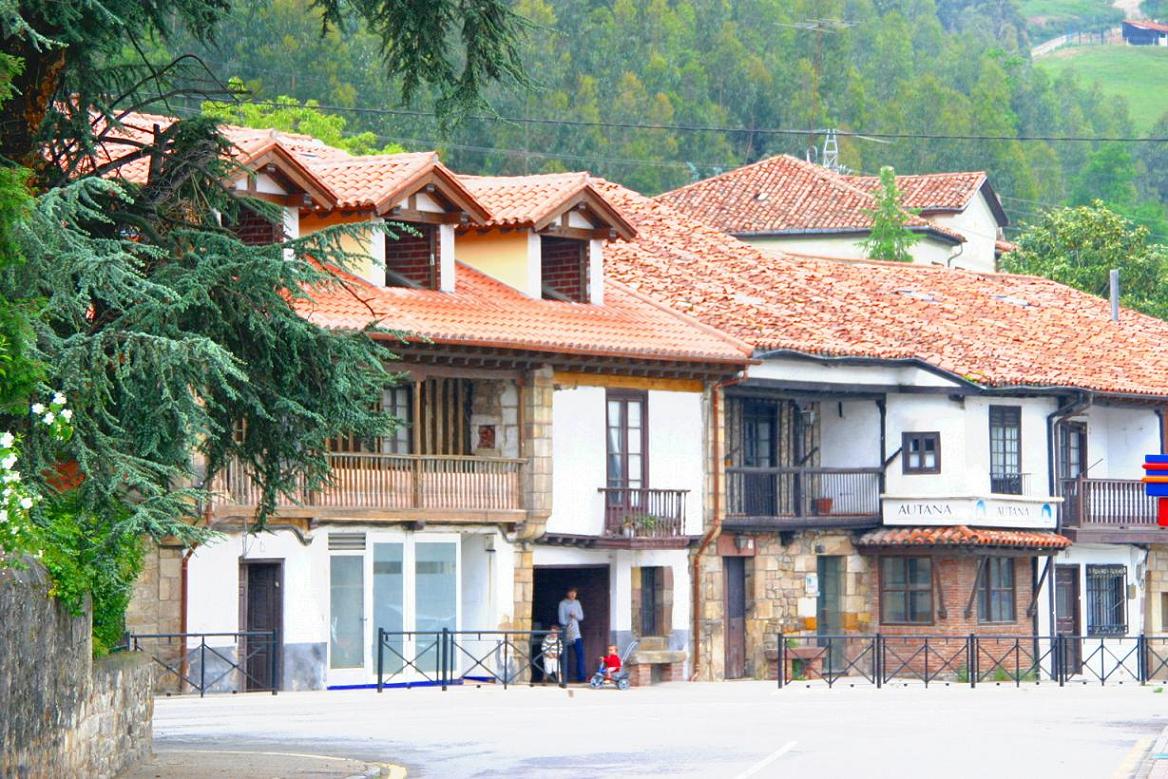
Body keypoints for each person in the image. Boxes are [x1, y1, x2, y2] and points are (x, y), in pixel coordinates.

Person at [558, 587, 585, 682]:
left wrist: (575, 616)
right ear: (567, 593)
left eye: (575, 592)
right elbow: (561, 620)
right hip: (567, 633)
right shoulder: (562, 604)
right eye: (571, 592)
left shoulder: (577, 603)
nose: (573, 594)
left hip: (577, 634)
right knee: (564, 655)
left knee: (580, 655)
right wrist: (569, 619)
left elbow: (581, 617)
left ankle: (581, 677)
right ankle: (564, 677)